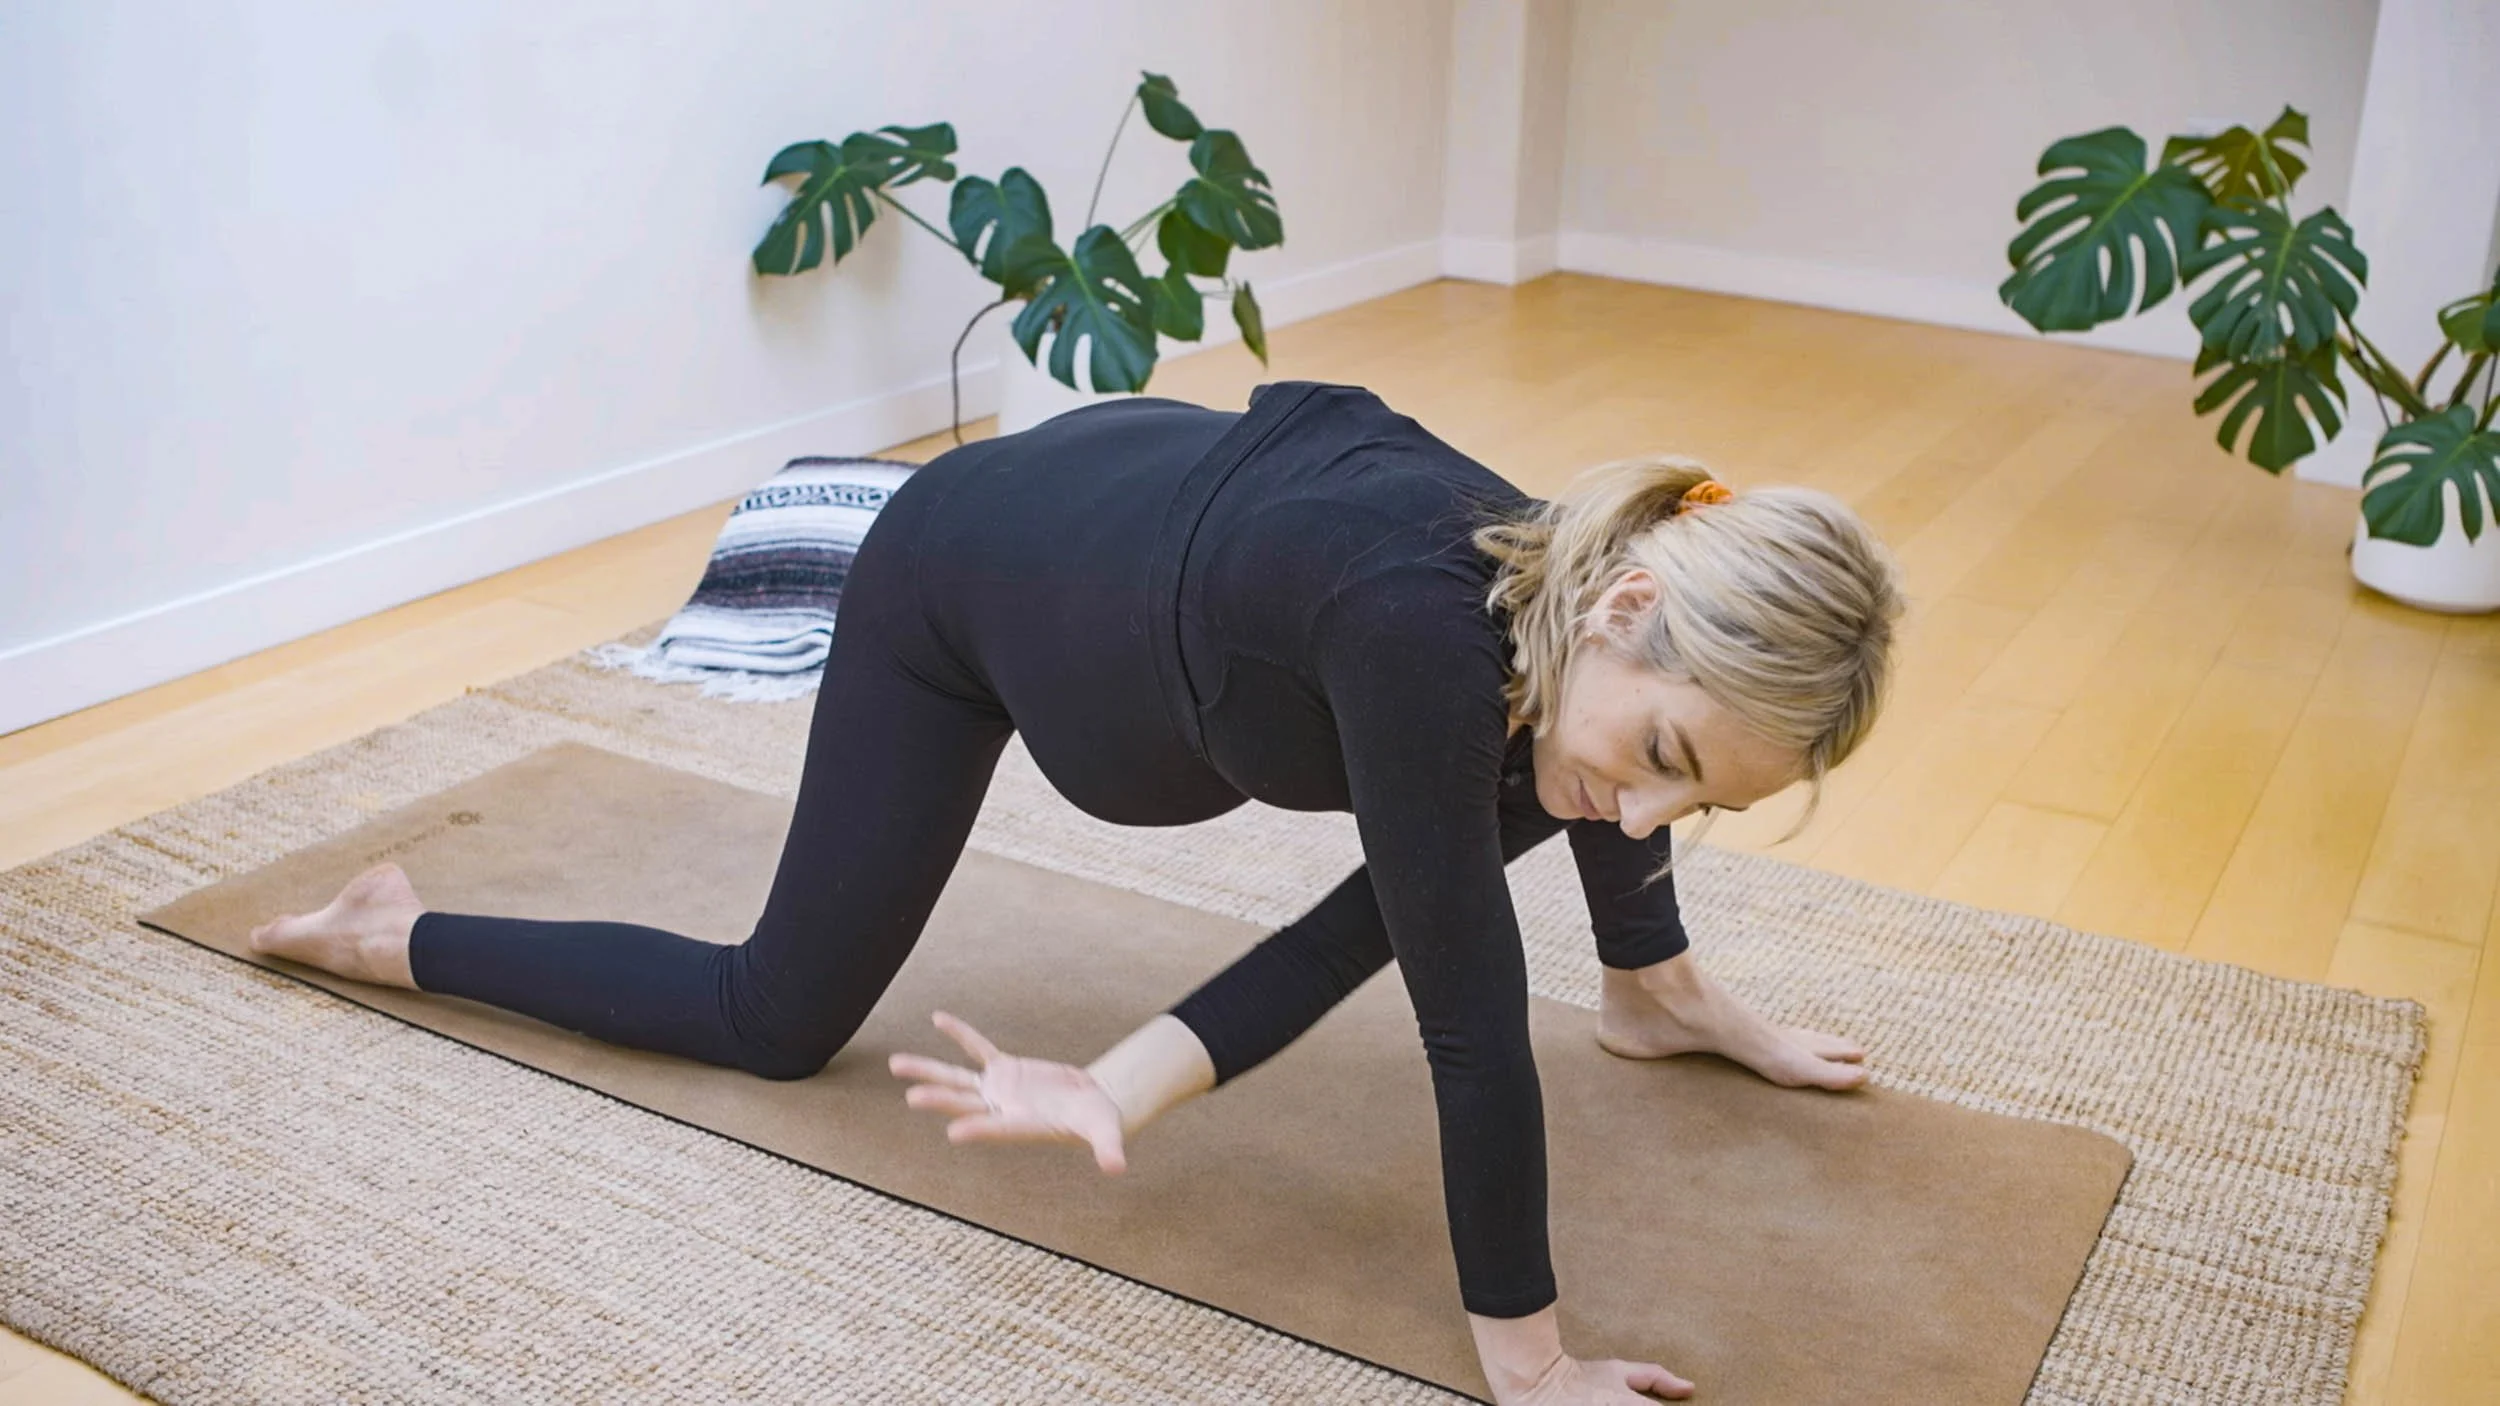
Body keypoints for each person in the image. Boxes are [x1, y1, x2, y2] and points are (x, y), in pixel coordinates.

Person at [250, 382, 1903, 1405]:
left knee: (1571, 761)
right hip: (968, 576)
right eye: (1681, 750)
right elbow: (1442, 1002)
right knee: (775, 1016)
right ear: (1628, 595)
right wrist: (1530, 1363)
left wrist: (1130, 1074)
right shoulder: (1428, 645)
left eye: (1710, 799)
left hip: (1140, 497)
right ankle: (388, 927)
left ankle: (1651, 991)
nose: (1656, 805)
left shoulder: (1570, 610)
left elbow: (1523, 814)